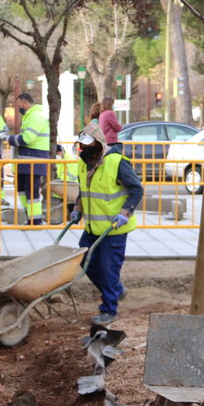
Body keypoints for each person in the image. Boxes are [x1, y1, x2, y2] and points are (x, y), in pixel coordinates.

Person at [70, 123, 143, 325]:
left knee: (108, 269)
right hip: (93, 227)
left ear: (99, 143)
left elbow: (137, 189)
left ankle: (109, 309)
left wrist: (125, 212)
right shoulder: (84, 162)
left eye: (88, 145)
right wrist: (78, 208)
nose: (83, 149)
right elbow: (84, 190)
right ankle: (116, 291)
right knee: (85, 260)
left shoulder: (117, 163)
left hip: (114, 227)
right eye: (81, 145)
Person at [3, 92, 50, 225]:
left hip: (34, 159)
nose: (18, 109)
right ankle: (29, 216)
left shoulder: (36, 117)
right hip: (27, 159)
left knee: (30, 189)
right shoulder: (30, 116)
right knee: (22, 188)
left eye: (18, 106)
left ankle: (35, 220)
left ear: (25, 103)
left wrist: (9, 139)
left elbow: (27, 139)